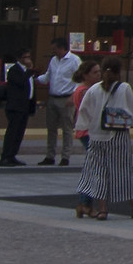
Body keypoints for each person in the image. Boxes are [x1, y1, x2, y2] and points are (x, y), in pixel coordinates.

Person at [73, 59, 133, 220]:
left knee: (99, 172)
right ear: (119, 71)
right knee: (122, 171)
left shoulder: (94, 89)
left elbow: (84, 112)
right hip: (117, 134)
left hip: (96, 135)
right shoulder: (124, 88)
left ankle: (103, 209)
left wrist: (90, 124)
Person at [38, 36, 80, 166]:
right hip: (53, 97)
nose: (53, 51)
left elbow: (79, 80)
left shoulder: (74, 61)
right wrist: (34, 78)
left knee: (67, 129)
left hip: (66, 98)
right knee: (51, 128)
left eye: (55, 49)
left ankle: (65, 156)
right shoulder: (53, 60)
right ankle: (50, 155)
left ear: (62, 48)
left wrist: (73, 96)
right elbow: (47, 77)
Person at [0, 49, 35, 166]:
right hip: (15, 107)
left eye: (29, 57)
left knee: (19, 133)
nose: (28, 60)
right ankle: (5, 156)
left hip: (25, 106)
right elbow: (20, 82)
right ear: (19, 59)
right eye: (25, 57)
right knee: (12, 133)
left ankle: (12, 155)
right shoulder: (14, 70)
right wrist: (30, 71)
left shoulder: (26, 71)